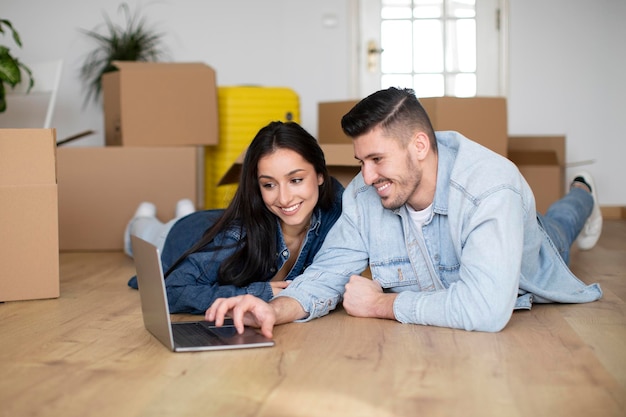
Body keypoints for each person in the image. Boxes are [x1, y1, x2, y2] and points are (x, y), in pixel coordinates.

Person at [206, 87, 603, 337]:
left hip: (529, 254)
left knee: (561, 225)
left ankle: (582, 192)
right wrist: (271, 310)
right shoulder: (367, 192)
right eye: (361, 160)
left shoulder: (490, 189)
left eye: (377, 159)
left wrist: (381, 305)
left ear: (419, 146)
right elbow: (326, 275)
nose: (365, 176)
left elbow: (485, 311)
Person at [125, 120, 344, 314]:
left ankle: (185, 210)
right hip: (177, 236)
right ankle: (141, 219)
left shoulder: (336, 207)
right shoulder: (237, 236)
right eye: (269, 184)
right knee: (143, 233)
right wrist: (260, 291)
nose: (285, 199)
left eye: (296, 180)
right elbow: (172, 291)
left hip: (211, 227)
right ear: (258, 187)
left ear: (320, 175)